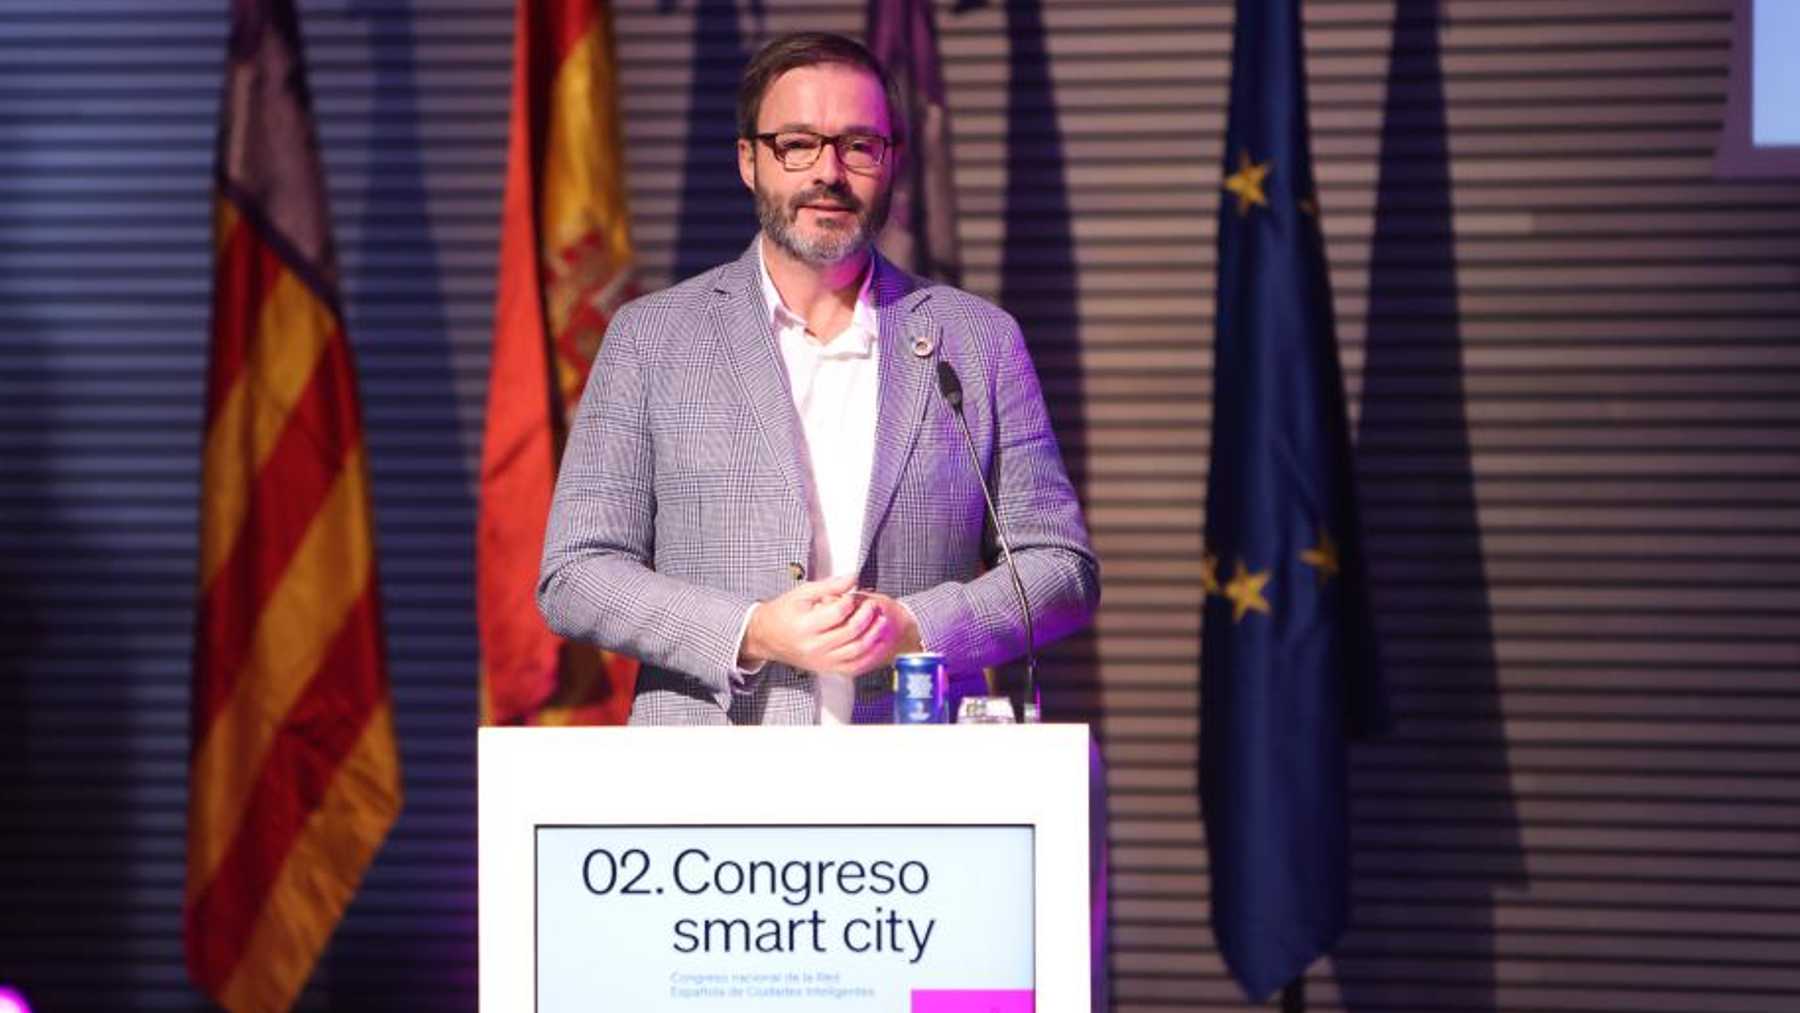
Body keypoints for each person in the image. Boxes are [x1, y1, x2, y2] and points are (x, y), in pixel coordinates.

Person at [537, 31, 1097, 725]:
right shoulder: (651, 339)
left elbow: (1060, 570)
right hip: (705, 791)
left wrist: (914, 628)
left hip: (919, 788)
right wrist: (751, 629)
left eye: (859, 145)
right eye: (797, 144)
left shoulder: (978, 340)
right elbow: (577, 574)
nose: (829, 171)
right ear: (749, 160)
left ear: (892, 162)